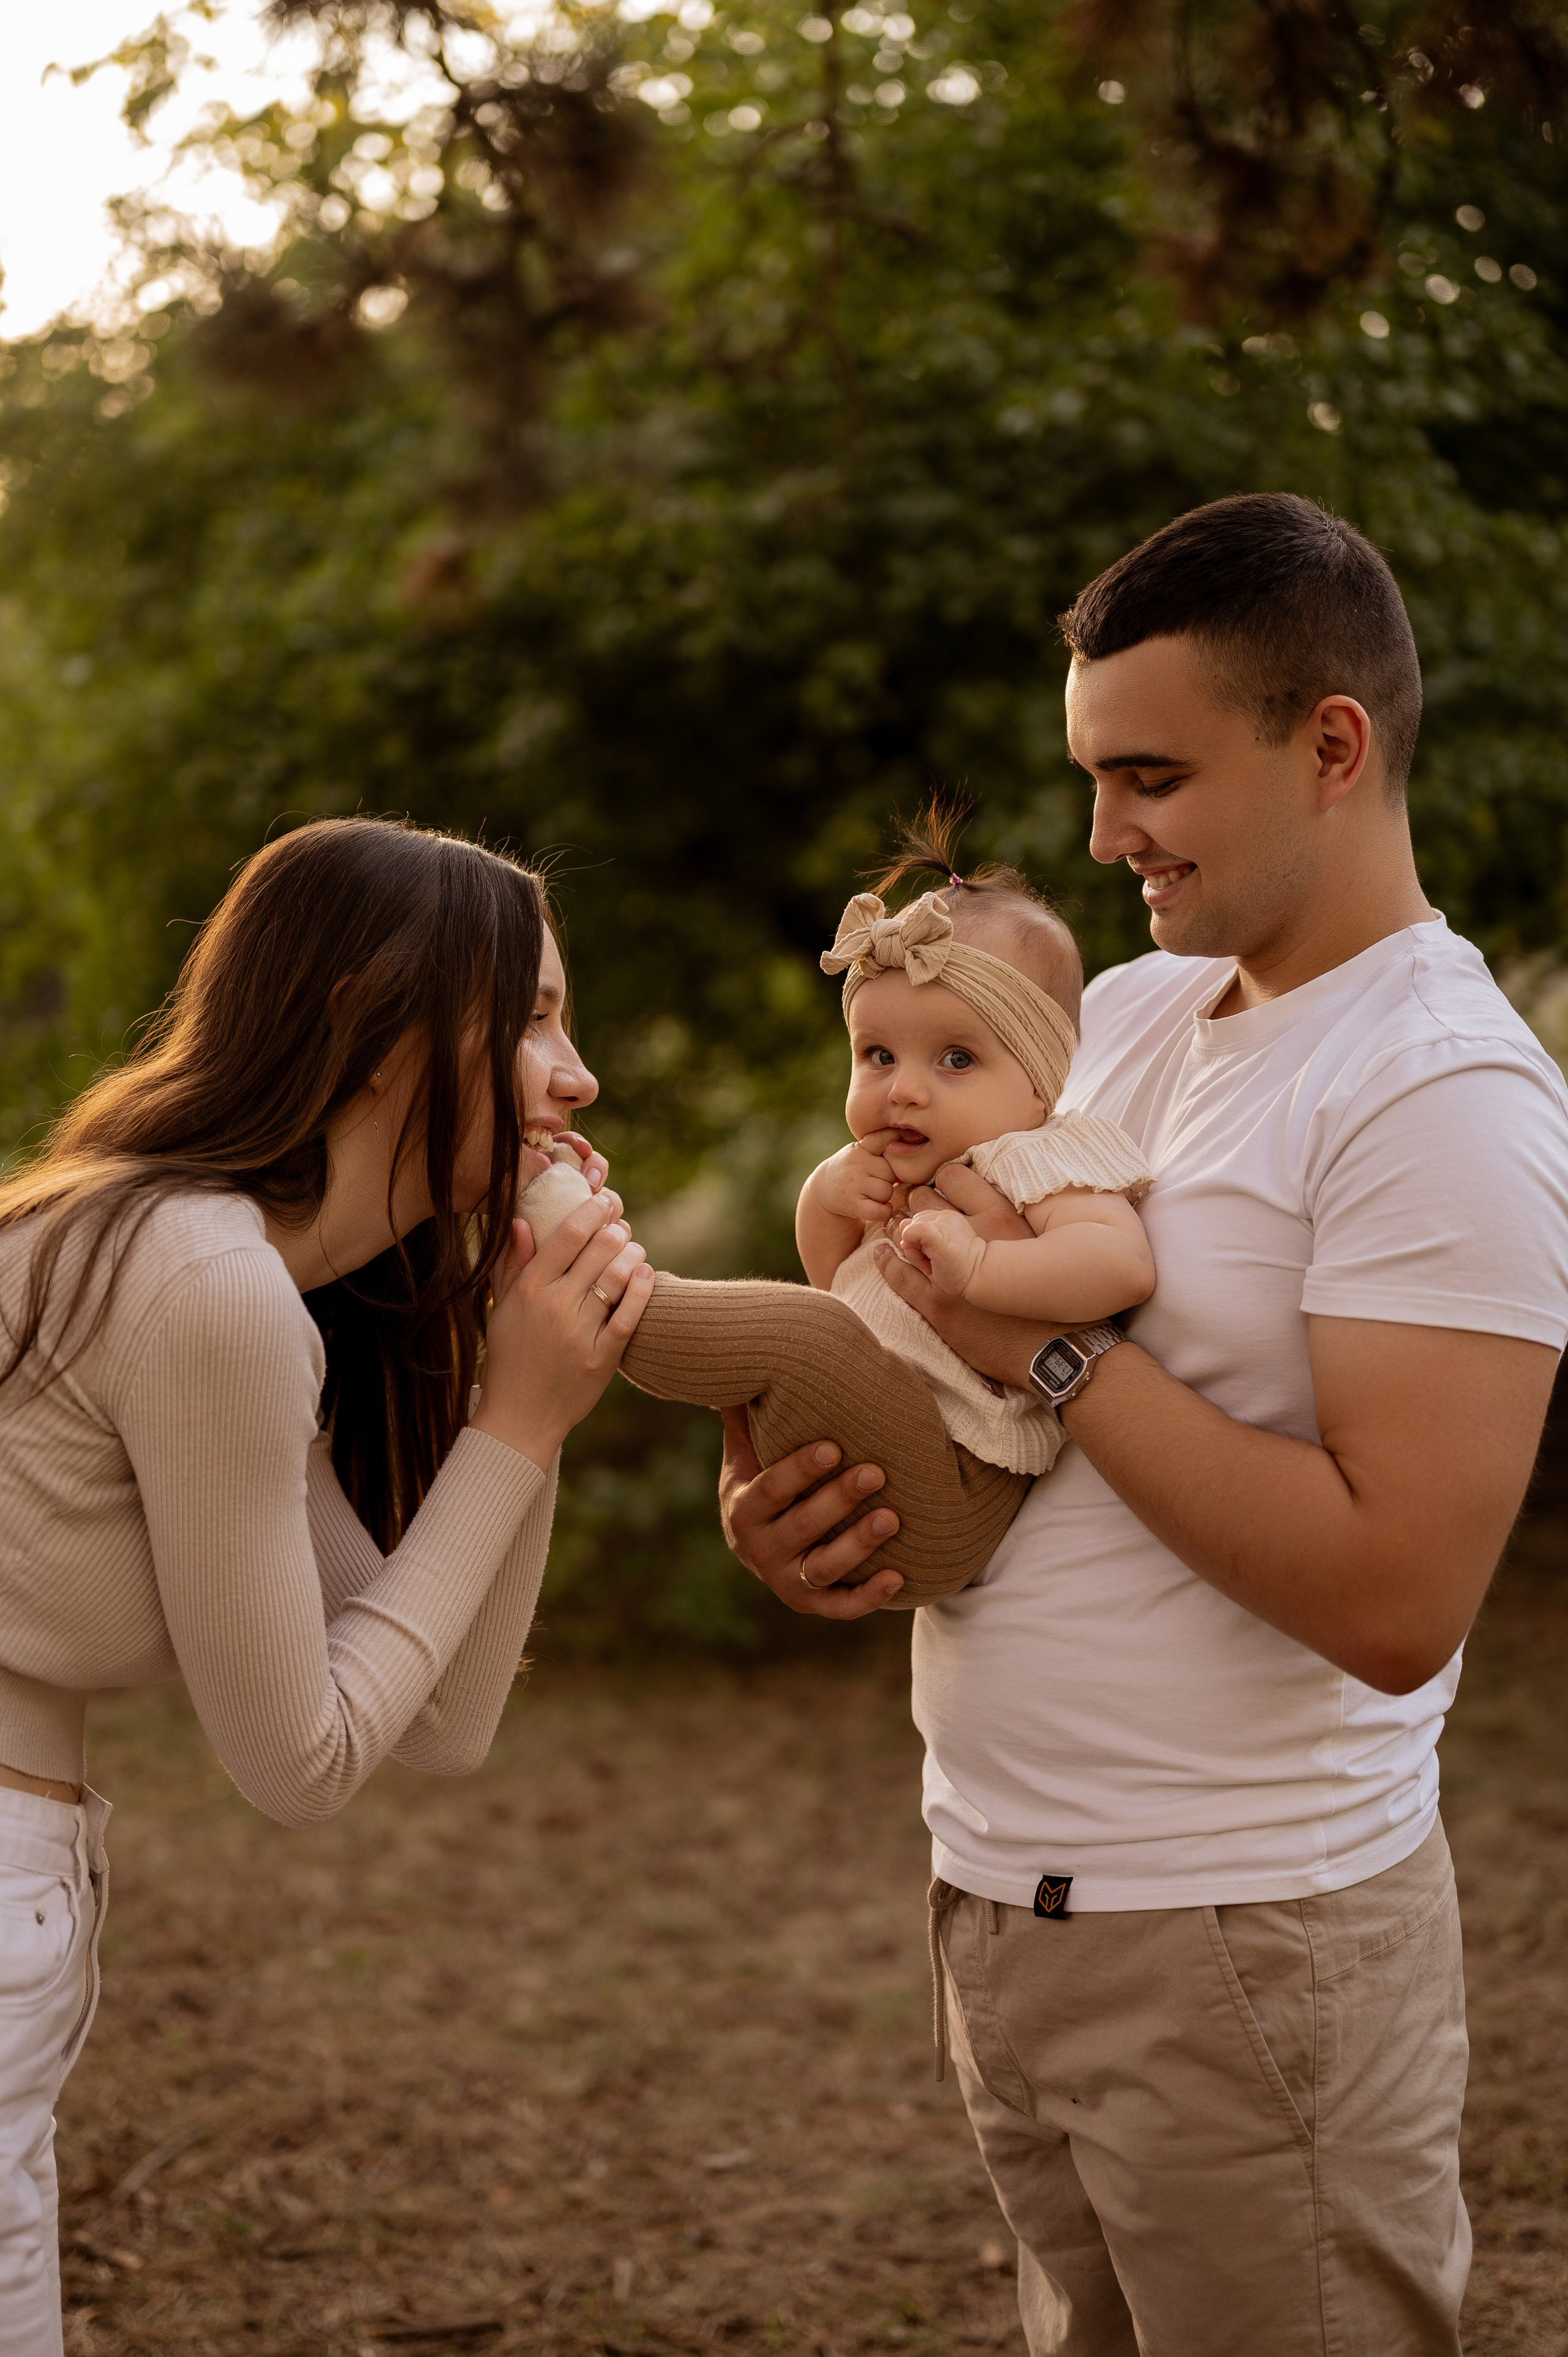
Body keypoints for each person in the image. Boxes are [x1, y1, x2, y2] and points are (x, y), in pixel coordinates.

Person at [716, 493, 1568, 2354]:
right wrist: (792, 1501)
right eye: (1093, 777)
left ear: (1329, 747)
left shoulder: (1440, 1090)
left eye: (1151, 777)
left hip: (1243, 1941)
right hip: (1004, 1903)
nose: (1103, 835)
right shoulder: (1120, 1015)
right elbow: (933, 1327)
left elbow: (1392, 1592)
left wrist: (1052, 1357)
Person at [0, 815, 653, 2357]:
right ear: (379, 1030)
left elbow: (438, 1721)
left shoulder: (212, 1267)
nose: (581, 1075)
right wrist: (514, 1418)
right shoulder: (203, 1281)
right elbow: (297, 1761)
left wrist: (530, 1395)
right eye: (539, 1015)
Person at [535, 831, 1153, 1602]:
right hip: (865, 1456)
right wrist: (825, 1197)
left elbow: (1119, 1261)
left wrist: (986, 1268)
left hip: (958, 1482)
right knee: (816, 1327)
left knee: (807, 1335)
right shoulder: (894, 1163)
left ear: (1041, 1085)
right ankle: (584, 1278)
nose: (904, 1090)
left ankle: (604, 1283)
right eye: (878, 1055)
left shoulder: (1035, 1158)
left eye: (955, 1059)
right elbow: (833, 1275)